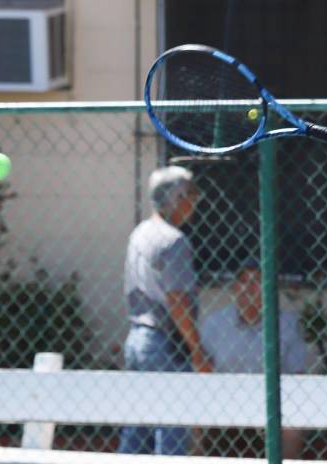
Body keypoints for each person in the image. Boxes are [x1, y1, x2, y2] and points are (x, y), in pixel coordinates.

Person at [119, 165, 213, 455]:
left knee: (138, 425)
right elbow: (177, 300)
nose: (195, 201)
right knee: (171, 427)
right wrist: (196, 349)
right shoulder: (174, 240)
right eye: (191, 194)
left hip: (137, 339)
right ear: (176, 197)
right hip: (164, 344)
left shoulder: (140, 233)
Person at [200, 259, 308, 459]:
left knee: (293, 425)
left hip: (272, 408)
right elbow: (201, 371)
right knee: (194, 413)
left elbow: (297, 374)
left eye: (257, 280)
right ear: (234, 288)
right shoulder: (214, 324)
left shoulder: (286, 324)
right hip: (225, 405)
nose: (249, 287)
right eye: (243, 280)